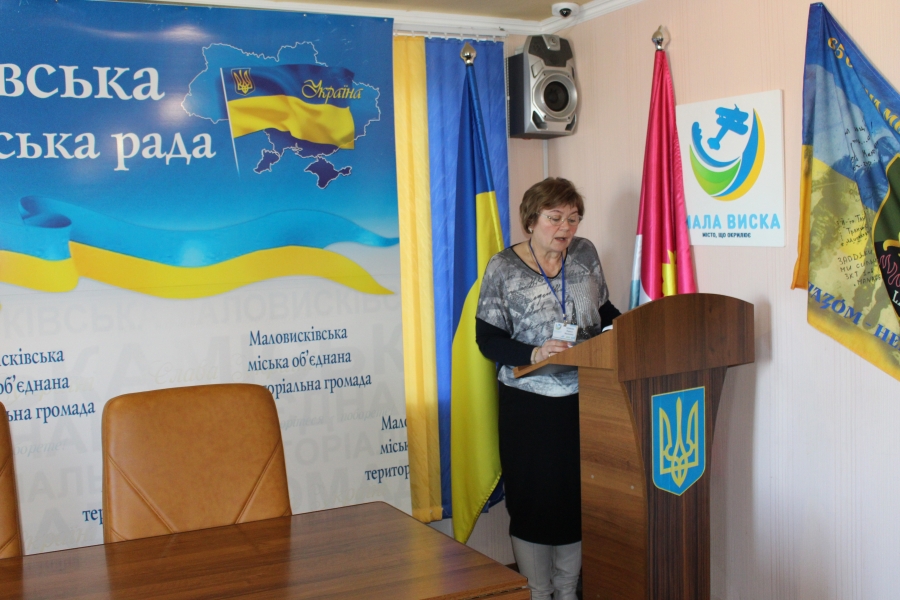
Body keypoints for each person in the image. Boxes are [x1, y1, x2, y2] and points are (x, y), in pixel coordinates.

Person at [475, 177, 620, 600]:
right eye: (555, 218)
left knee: (576, 498)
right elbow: (488, 340)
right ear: (531, 220)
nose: (565, 228)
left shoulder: (585, 254)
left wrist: (627, 327)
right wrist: (534, 352)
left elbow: (604, 311)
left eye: (573, 219)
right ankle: (538, 592)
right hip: (529, 405)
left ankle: (568, 591)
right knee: (535, 501)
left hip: (585, 399)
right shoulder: (503, 267)